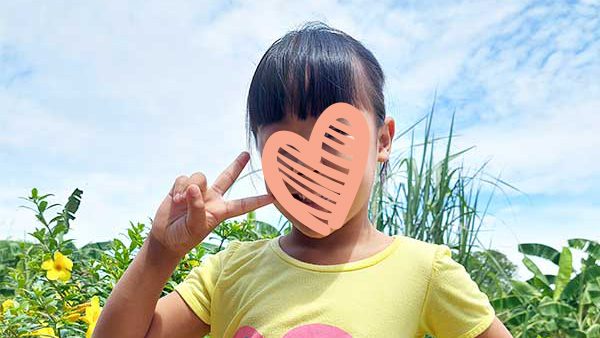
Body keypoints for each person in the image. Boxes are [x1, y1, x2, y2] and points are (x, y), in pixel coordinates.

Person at [93, 21, 513, 338]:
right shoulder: (230, 271)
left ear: (382, 140)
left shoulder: (424, 271)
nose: (308, 166)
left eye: (333, 138)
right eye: (282, 147)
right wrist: (160, 251)